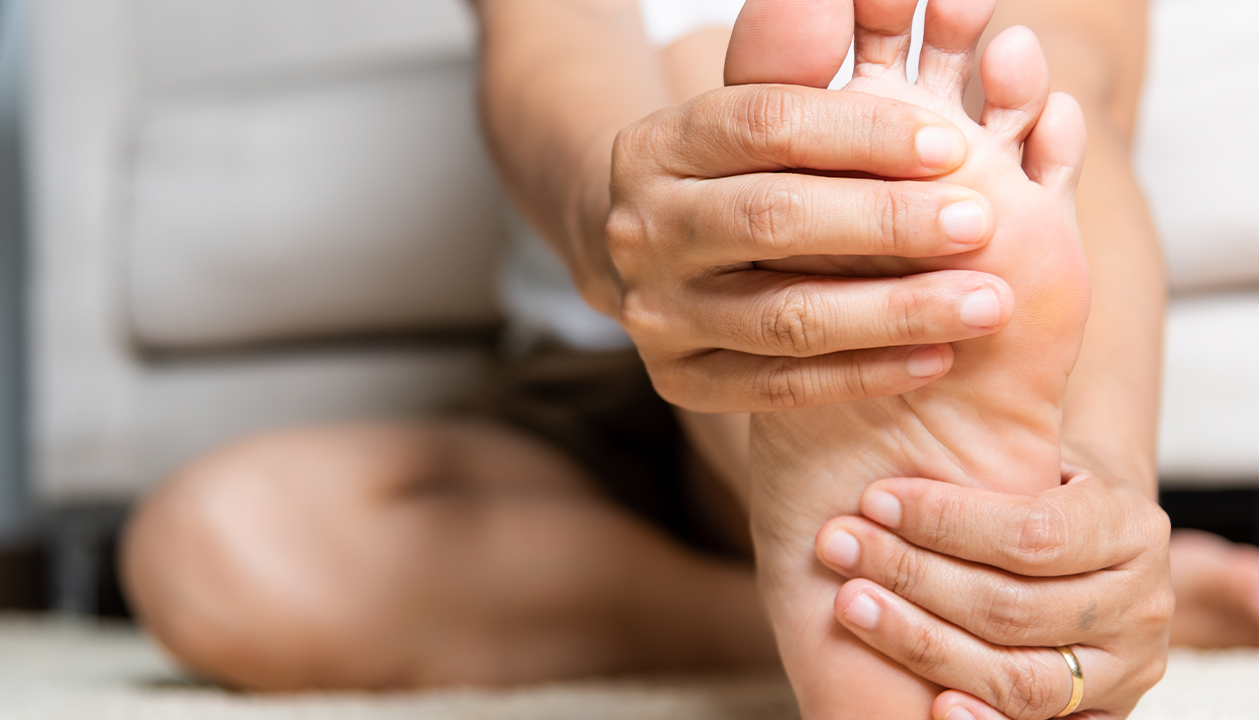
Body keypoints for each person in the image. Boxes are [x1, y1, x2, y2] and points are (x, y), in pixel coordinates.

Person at [116, 0, 1251, 718]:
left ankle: (913, 519)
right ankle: (905, 592)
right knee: (212, 549)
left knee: (760, 86)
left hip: (928, 299)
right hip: (595, 364)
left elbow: (1075, 93)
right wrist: (647, 230)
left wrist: (1102, 488)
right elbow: (549, 61)